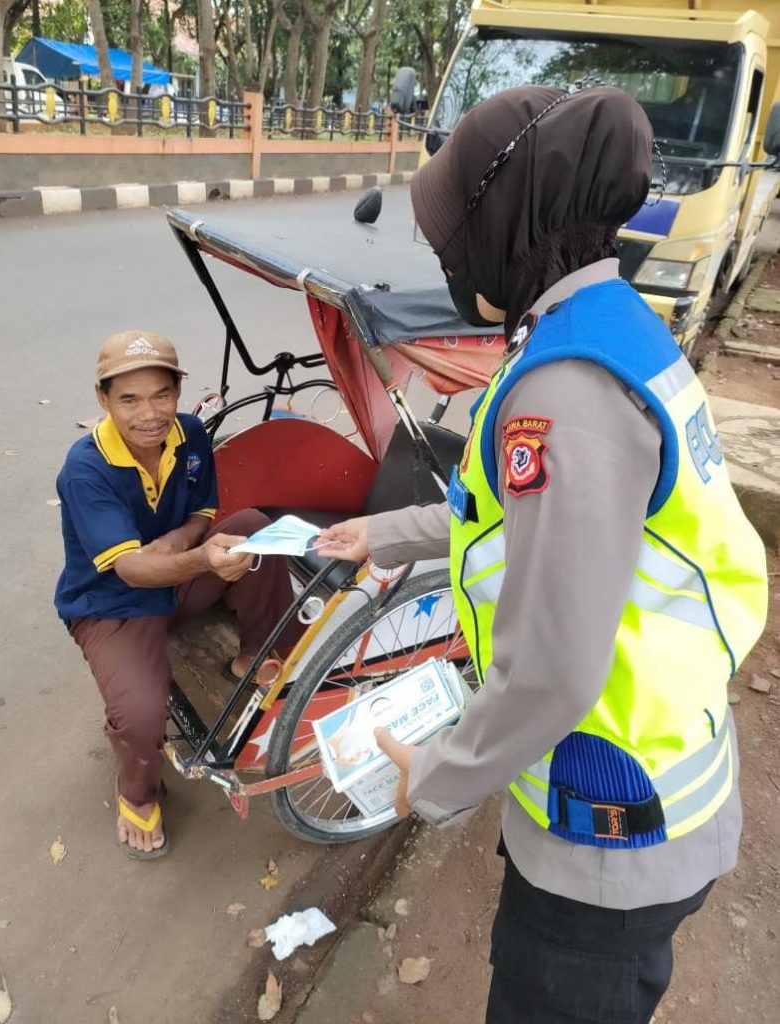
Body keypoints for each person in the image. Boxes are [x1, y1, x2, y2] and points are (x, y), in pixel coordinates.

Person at [317, 85, 768, 1023]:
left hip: (610, 829)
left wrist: (432, 780)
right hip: (648, 785)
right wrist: (383, 533)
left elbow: (555, 671)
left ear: (503, 228)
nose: (445, 262)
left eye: (450, 241)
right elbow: (521, 520)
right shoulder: (612, 328)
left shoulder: (560, 389)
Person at [55, 330, 298, 859]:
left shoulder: (189, 435)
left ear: (178, 391)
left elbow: (204, 512)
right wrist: (199, 559)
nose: (150, 414)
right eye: (129, 399)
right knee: (142, 714)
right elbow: (132, 572)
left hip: (177, 580)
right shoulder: (85, 469)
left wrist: (180, 544)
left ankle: (254, 652)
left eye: (161, 395)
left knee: (255, 526)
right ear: (102, 399)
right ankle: (138, 797)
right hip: (111, 605)